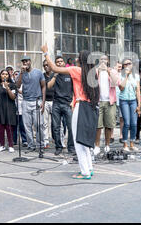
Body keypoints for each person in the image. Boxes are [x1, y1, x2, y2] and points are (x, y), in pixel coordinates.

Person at [42, 45, 100, 180]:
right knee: (84, 141)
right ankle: (89, 168)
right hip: (91, 107)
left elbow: (55, 69)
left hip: (81, 107)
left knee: (78, 141)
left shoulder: (76, 70)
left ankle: (85, 172)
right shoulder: (92, 73)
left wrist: (45, 53)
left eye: (78, 57)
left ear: (80, 59)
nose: (76, 58)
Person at [16, 55, 46, 152]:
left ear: (30, 61)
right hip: (25, 101)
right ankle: (31, 145)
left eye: (26, 61)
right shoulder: (21, 73)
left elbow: (43, 86)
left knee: (38, 124)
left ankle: (40, 145)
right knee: (27, 125)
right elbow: (17, 85)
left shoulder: (38, 72)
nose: (25, 63)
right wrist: (21, 73)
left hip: (37, 100)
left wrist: (43, 102)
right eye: (23, 61)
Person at [48, 56, 75, 156]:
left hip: (68, 104)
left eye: (61, 61)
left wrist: (73, 101)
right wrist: (55, 75)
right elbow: (49, 86)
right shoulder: (54, 75)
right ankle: (58, 147)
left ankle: (71, 147)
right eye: (57, 62)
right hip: (56, 103)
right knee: (56, 127)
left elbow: (75, 88)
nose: (59, 63)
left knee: (71, 127)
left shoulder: (70, 74)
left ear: (64, 63)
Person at [94, 54, 120, 155]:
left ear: (108, 61)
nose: (103, 61)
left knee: (109, 125)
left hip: (110, 101)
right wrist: (99, 72)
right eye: (101, 59)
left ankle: (107, 145)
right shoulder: (96, 71)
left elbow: (116, 82)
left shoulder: (112, 71)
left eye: (105, 59)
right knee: (98, 125)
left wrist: (108, 72)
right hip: (98, 101)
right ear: (99, 61)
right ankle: (97, 145)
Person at [119, 58, 141, 152]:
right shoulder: (120, 75)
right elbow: (121, 88)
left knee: (134, 123)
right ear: (123, 66)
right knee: (127, 123)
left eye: (129, 63)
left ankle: (132, 143)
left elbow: (138, 90)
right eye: (125, 64)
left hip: (133, 101)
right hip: (124, 101)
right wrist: (126, 76)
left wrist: (139, 104)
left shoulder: (136, 76)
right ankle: (125, 144)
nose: (128, 65)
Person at [0, 70, 17, 153]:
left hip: (9, 109)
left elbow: (13, 97)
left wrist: (7, 88)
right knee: (0, 127)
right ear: (0, 75)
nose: (5, 76)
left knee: (9, 127)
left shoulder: (12, 85)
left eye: (6, 74)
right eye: (3, 74)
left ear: (8, 76)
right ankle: (2, 145)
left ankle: (10, 145)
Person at [43, 60, 55, 149]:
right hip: (45, 101)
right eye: (44, 65)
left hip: (55, 101)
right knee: (45, 123)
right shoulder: (42, 76)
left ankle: (59, 141)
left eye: (47, 65)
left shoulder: (55, 75)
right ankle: (45, 141)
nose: (46, 66)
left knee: (56, 123)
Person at [13, 71, 27, 146]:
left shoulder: (24, 84)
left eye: (18, 74)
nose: (17, 76)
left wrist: (17, 89)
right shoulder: (12, 84)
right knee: (14, 125)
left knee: (22, 125)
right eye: (15, 74)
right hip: (15, 106)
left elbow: (24, 92)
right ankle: (14, 140)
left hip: (23, 106)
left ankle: (24, 140)